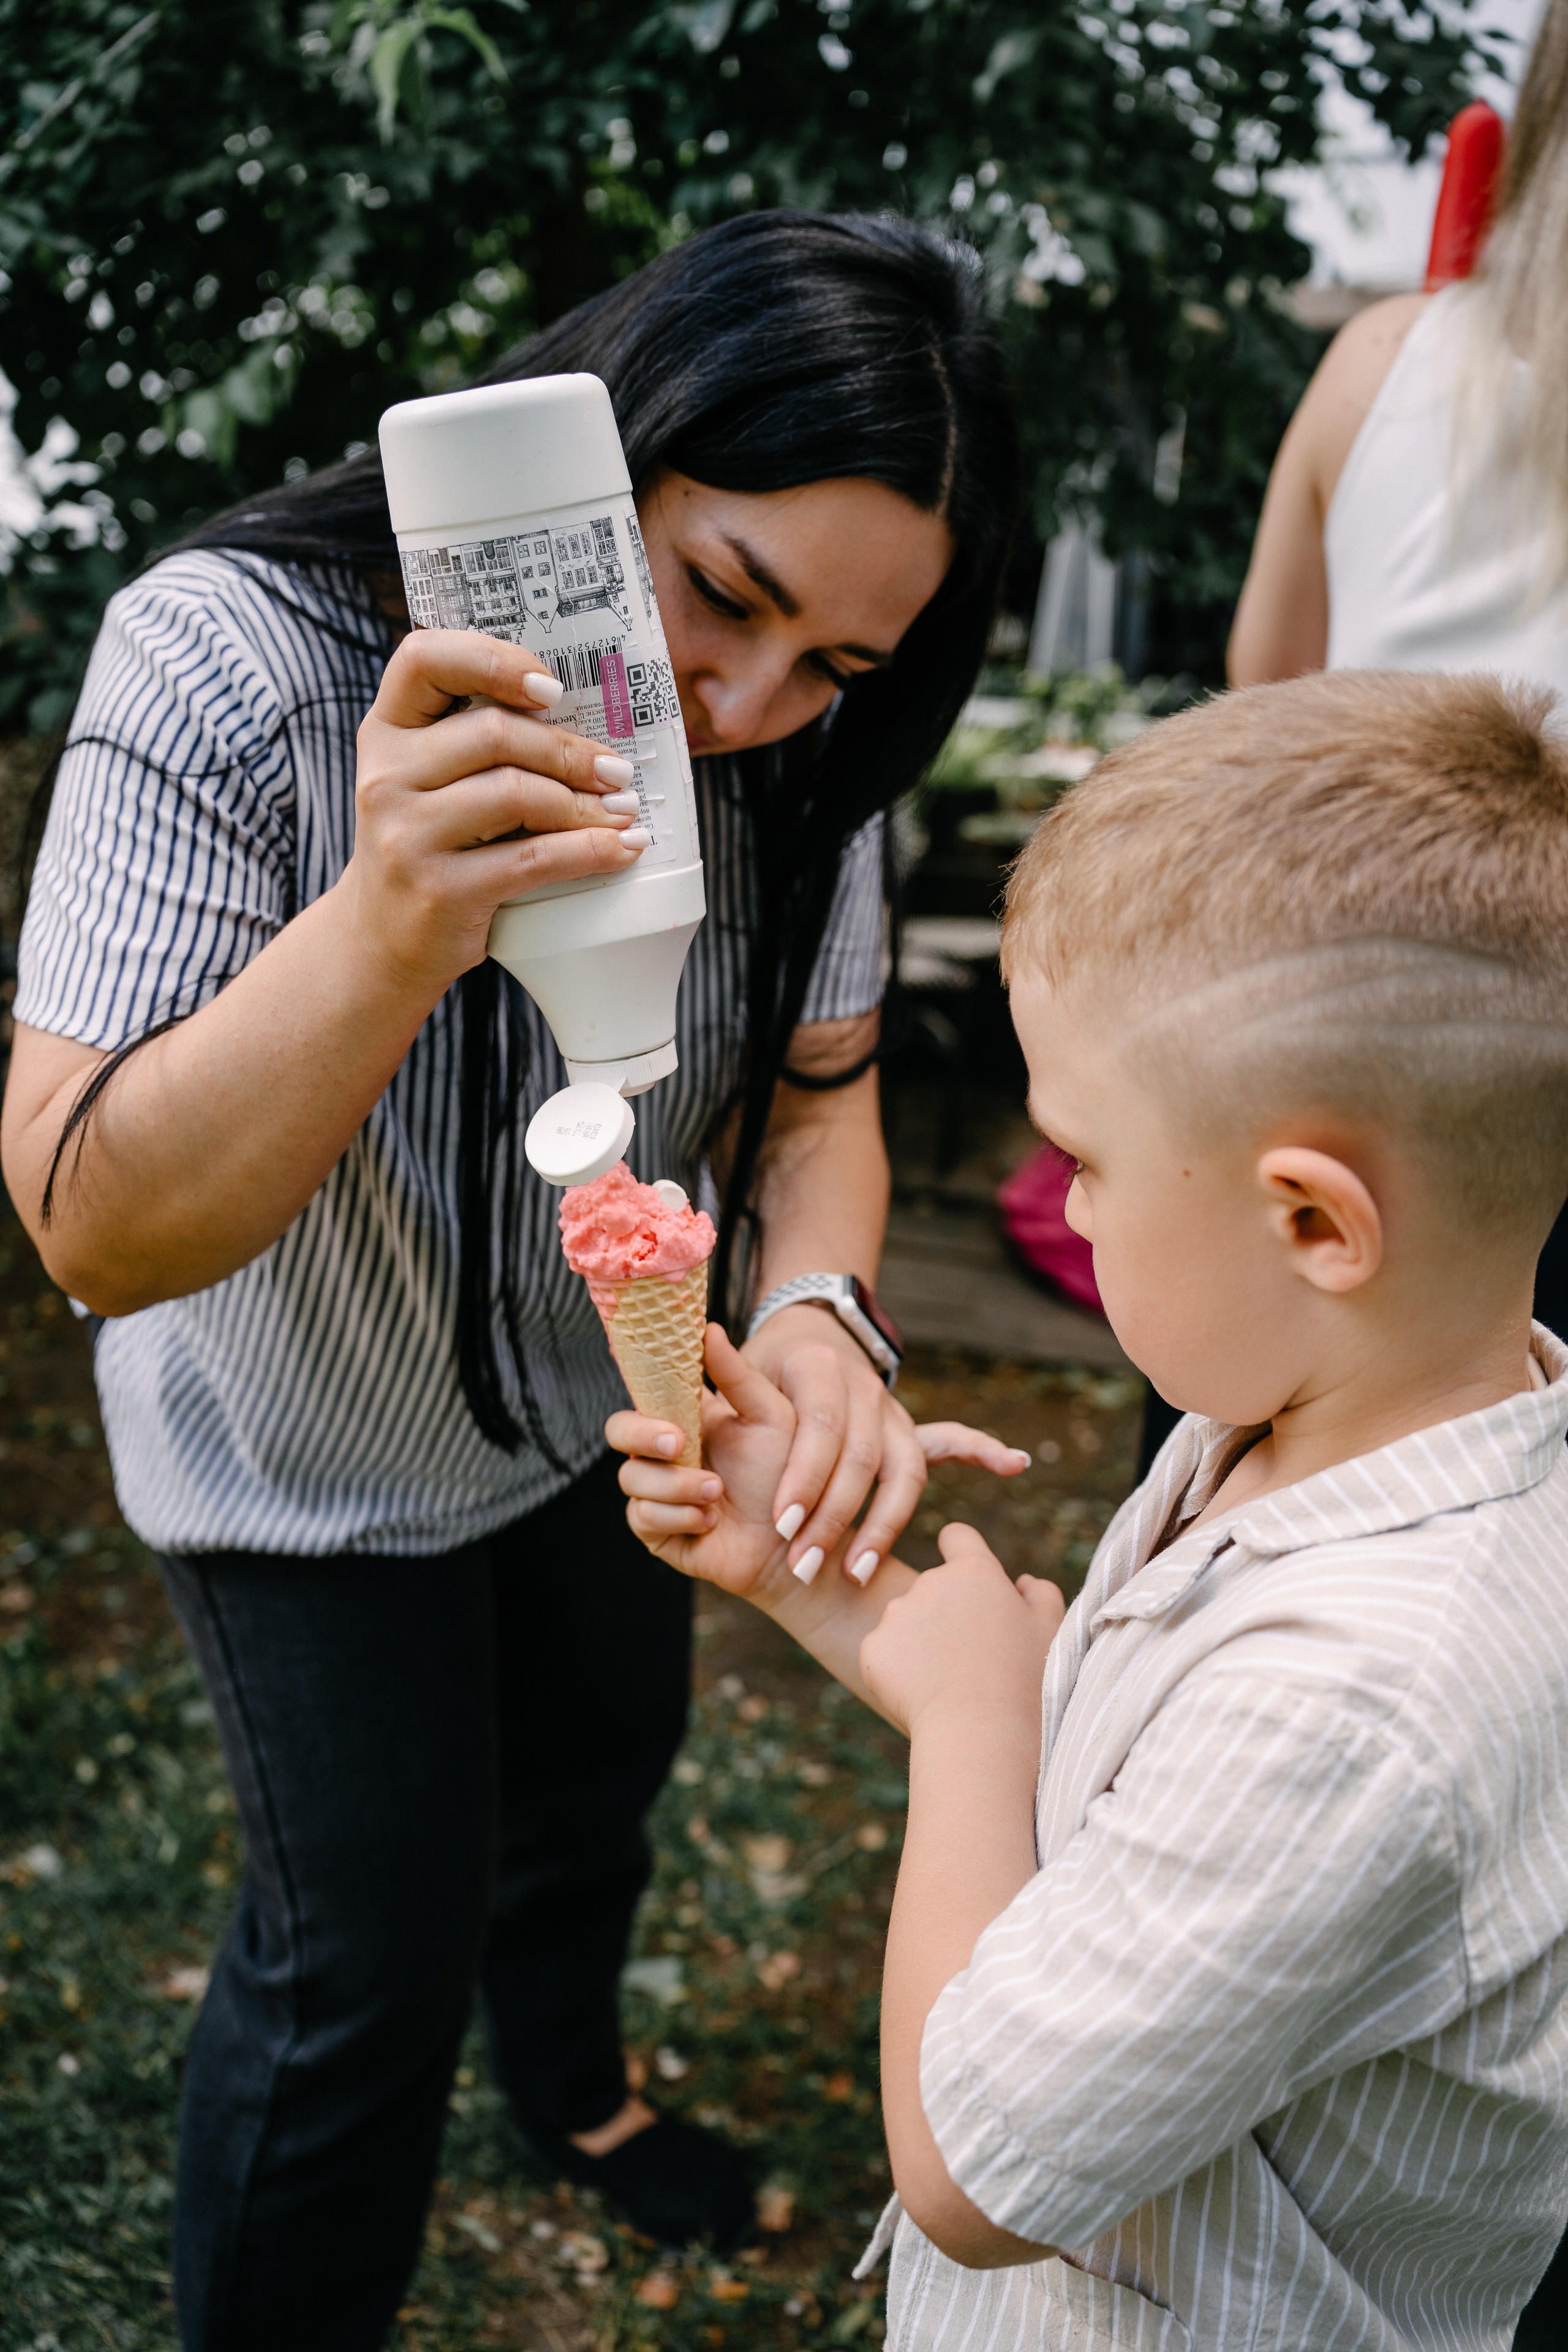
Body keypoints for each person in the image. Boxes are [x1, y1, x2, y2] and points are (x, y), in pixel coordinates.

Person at [0, 211, 1019, 2348]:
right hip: (305, 1458)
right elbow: (93, 1218)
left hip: (606, 1417)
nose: (743, 710)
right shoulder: (223, 659)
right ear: (591, 459)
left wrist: (821, 1312)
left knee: (597, 1777)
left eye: (837, 667)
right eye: (721, 595)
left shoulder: (800, 770)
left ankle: (573, 2086)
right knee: (361, 1948)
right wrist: (390, 913)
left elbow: (822, 1096)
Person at [614, 668, 1568, 2349]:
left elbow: (972, 2174)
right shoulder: (1295, 1424)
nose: (1051, 1200)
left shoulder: (1360, 1705)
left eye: (1085, 1160)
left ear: (1315, 1223)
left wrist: (971, 1724)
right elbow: (1134, 1820)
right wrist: (857, 1610)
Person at [1129, 0, 1568, 1504]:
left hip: (1315, 1029)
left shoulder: (1384, 354)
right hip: (1528, 1092)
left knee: (1249, 1480)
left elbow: (1262, 692)